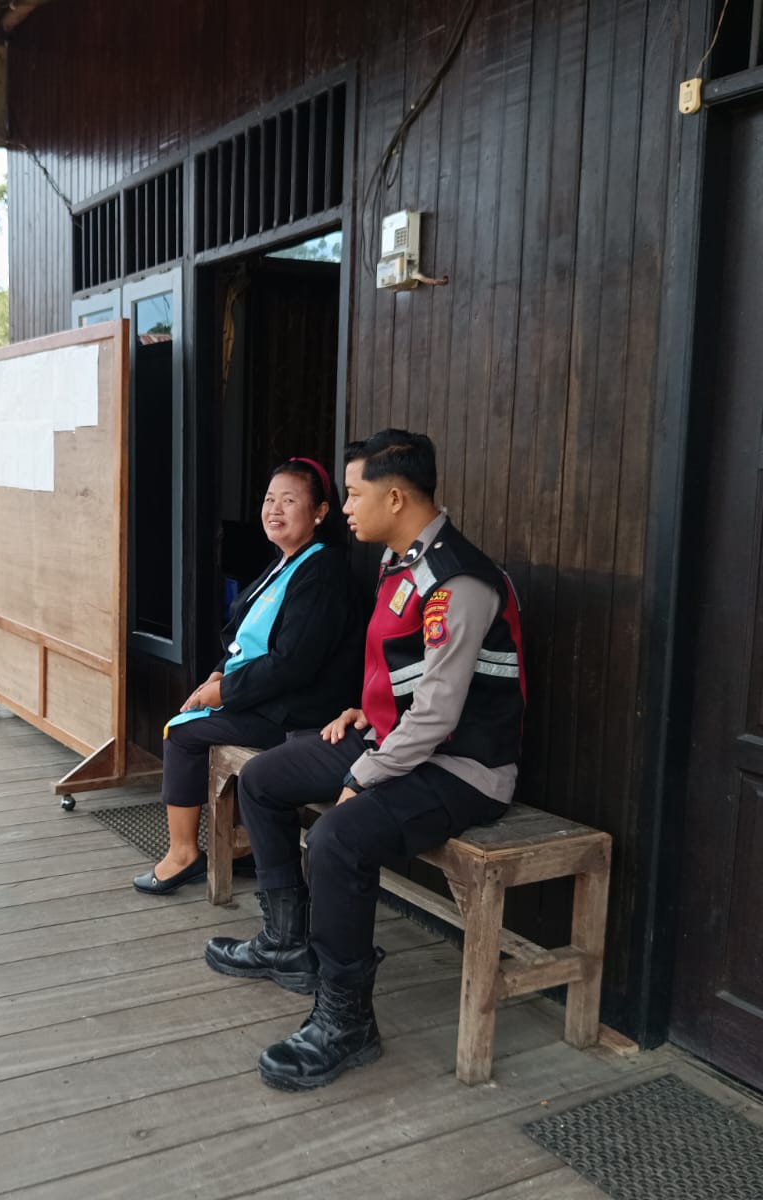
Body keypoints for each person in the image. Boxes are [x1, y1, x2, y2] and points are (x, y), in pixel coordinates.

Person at [204, 429, 526, 1091]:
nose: (345, 507)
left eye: (353, 494)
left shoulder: (458, 581)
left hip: (463, 767)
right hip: (395, 741)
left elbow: (438, 715)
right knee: (262, 778)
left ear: (396, 497)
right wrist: (363, 709)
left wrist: (362, 774)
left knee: (337, 838)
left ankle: (347, 1021)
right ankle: (286, 943)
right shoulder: (398, 562)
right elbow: (404, 673)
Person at [132, 457, 362, 895]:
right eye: (269, 499)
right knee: (190, 720)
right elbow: (242, 636)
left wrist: (224, 693)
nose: (274, 509)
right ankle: (246, 846)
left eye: (289, 501)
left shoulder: (323, 572)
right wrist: (217, 674)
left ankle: (183, 854)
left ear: (320, 511)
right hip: (267, 698)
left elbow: (293, 663)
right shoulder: (287, 562)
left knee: (181, 732)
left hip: (299, 712)